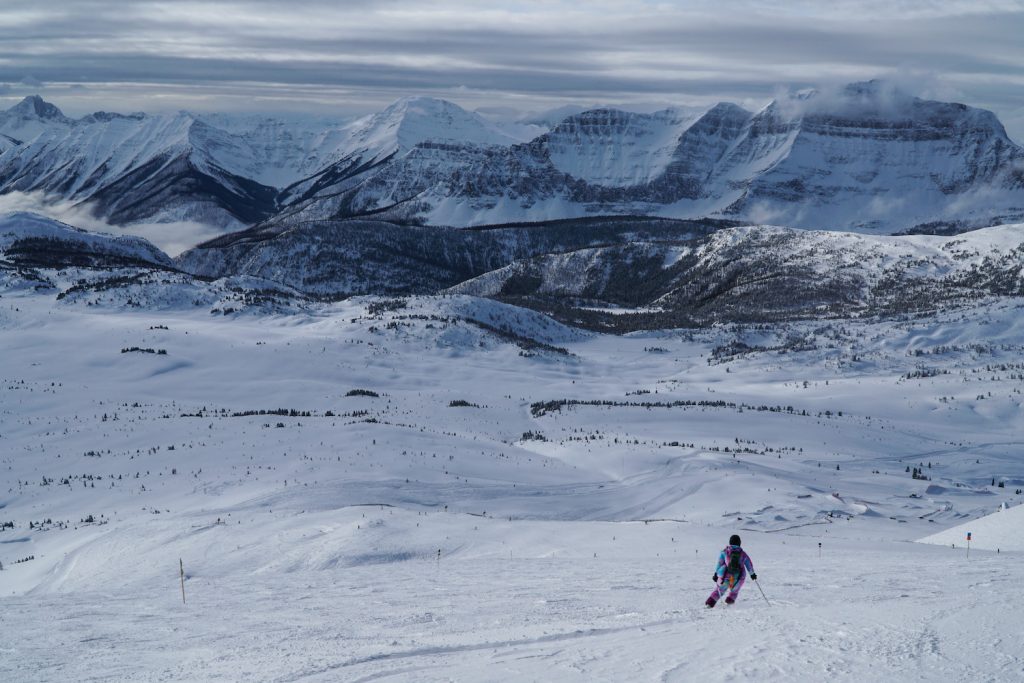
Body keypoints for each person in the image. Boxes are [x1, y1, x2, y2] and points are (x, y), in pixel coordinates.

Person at [705, 534, 756, 607]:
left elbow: (719, 563)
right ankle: (730, 601)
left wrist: (716, 574)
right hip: (739, 577)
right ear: (739, 543)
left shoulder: (725, 552)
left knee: (720, 589)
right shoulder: (743, 553)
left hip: (725, 576)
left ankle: (710, 603)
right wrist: (752, 574)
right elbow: (749, 564)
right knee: (735, 590)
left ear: (730, 542)